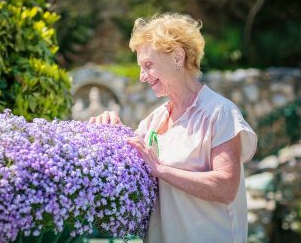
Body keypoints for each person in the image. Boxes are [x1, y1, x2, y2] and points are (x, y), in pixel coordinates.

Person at [89, 12, 257, 243]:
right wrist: (112, 131)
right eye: (140, 67)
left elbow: (226, 187)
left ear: (178, 57)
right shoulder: (153, 121)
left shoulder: (220, 113)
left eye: (148, 65)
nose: (142, 76)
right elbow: (133, 164)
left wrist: (161, 169)